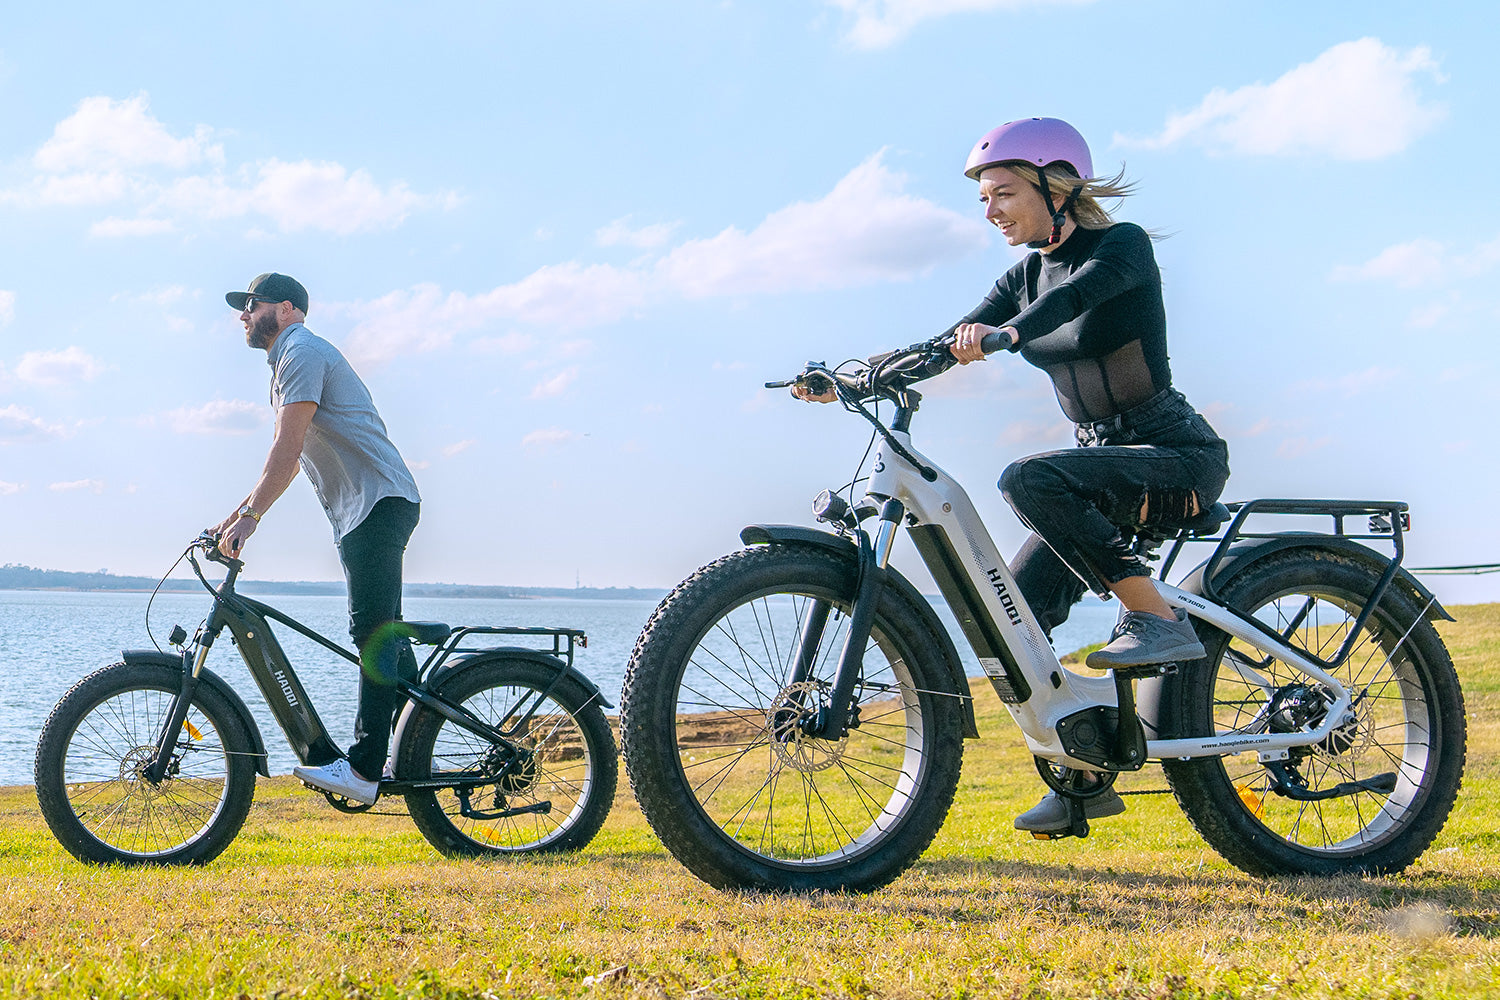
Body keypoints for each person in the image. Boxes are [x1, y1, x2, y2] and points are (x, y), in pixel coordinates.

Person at [797, 118, 1230, 835]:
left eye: (1002, 193)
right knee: (1016, 616)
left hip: (1171, 453)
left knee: (1027, 479)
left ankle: (1157, 617)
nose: (991, 210)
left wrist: (1010, 335)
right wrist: (858, 373)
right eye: (983, 200)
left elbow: (1072, 299)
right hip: (1102, 468)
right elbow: (947, 341)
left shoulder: (1121, 247)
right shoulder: (1024, 273)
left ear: (1055, 186)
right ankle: (1084, 775)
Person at [216, 272, 422, 806]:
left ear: (286, 308)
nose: (243, 314)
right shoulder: (291, 357)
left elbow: (287, 447)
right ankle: (417, 745)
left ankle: (365, 771)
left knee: (372, 633)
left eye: (251, 304)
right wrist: (235, 515)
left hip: (376, 504)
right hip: (370, 506)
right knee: (387, 639)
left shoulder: (302, 351)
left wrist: (250, 518)